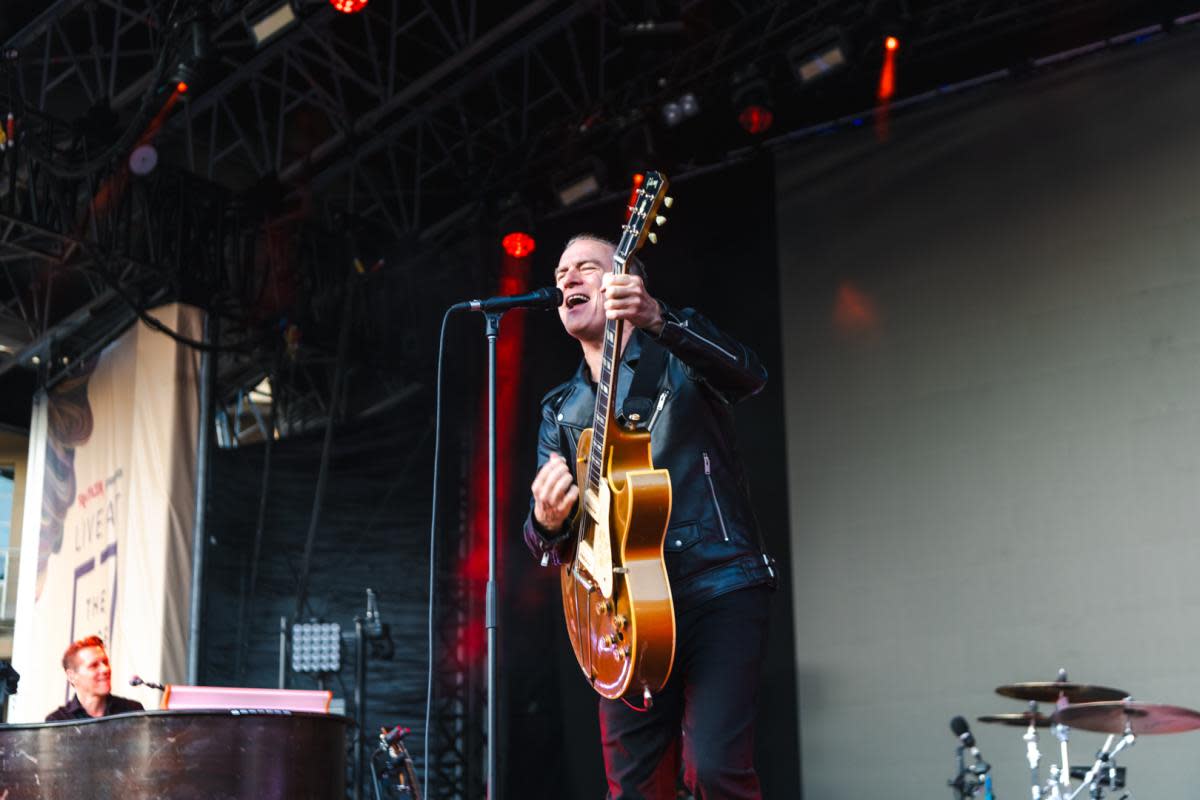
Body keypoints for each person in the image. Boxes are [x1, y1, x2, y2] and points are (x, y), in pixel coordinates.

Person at [524, 234, 776, 799]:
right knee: (633, 790)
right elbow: (547, 544)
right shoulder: (560, 413)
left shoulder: (679, 356)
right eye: (562, 271)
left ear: (625, 280)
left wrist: (661, 319)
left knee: (713, 770)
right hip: (620, 618)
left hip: (717, 586)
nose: (568, 278)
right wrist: (544, 520)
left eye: (587, 267)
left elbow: (750, 376)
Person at [45, 635, 144, 721]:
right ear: (72, 676)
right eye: (94, 665)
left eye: (105, 662)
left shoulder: (132, 711)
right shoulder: (58, 721)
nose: (105, 669)